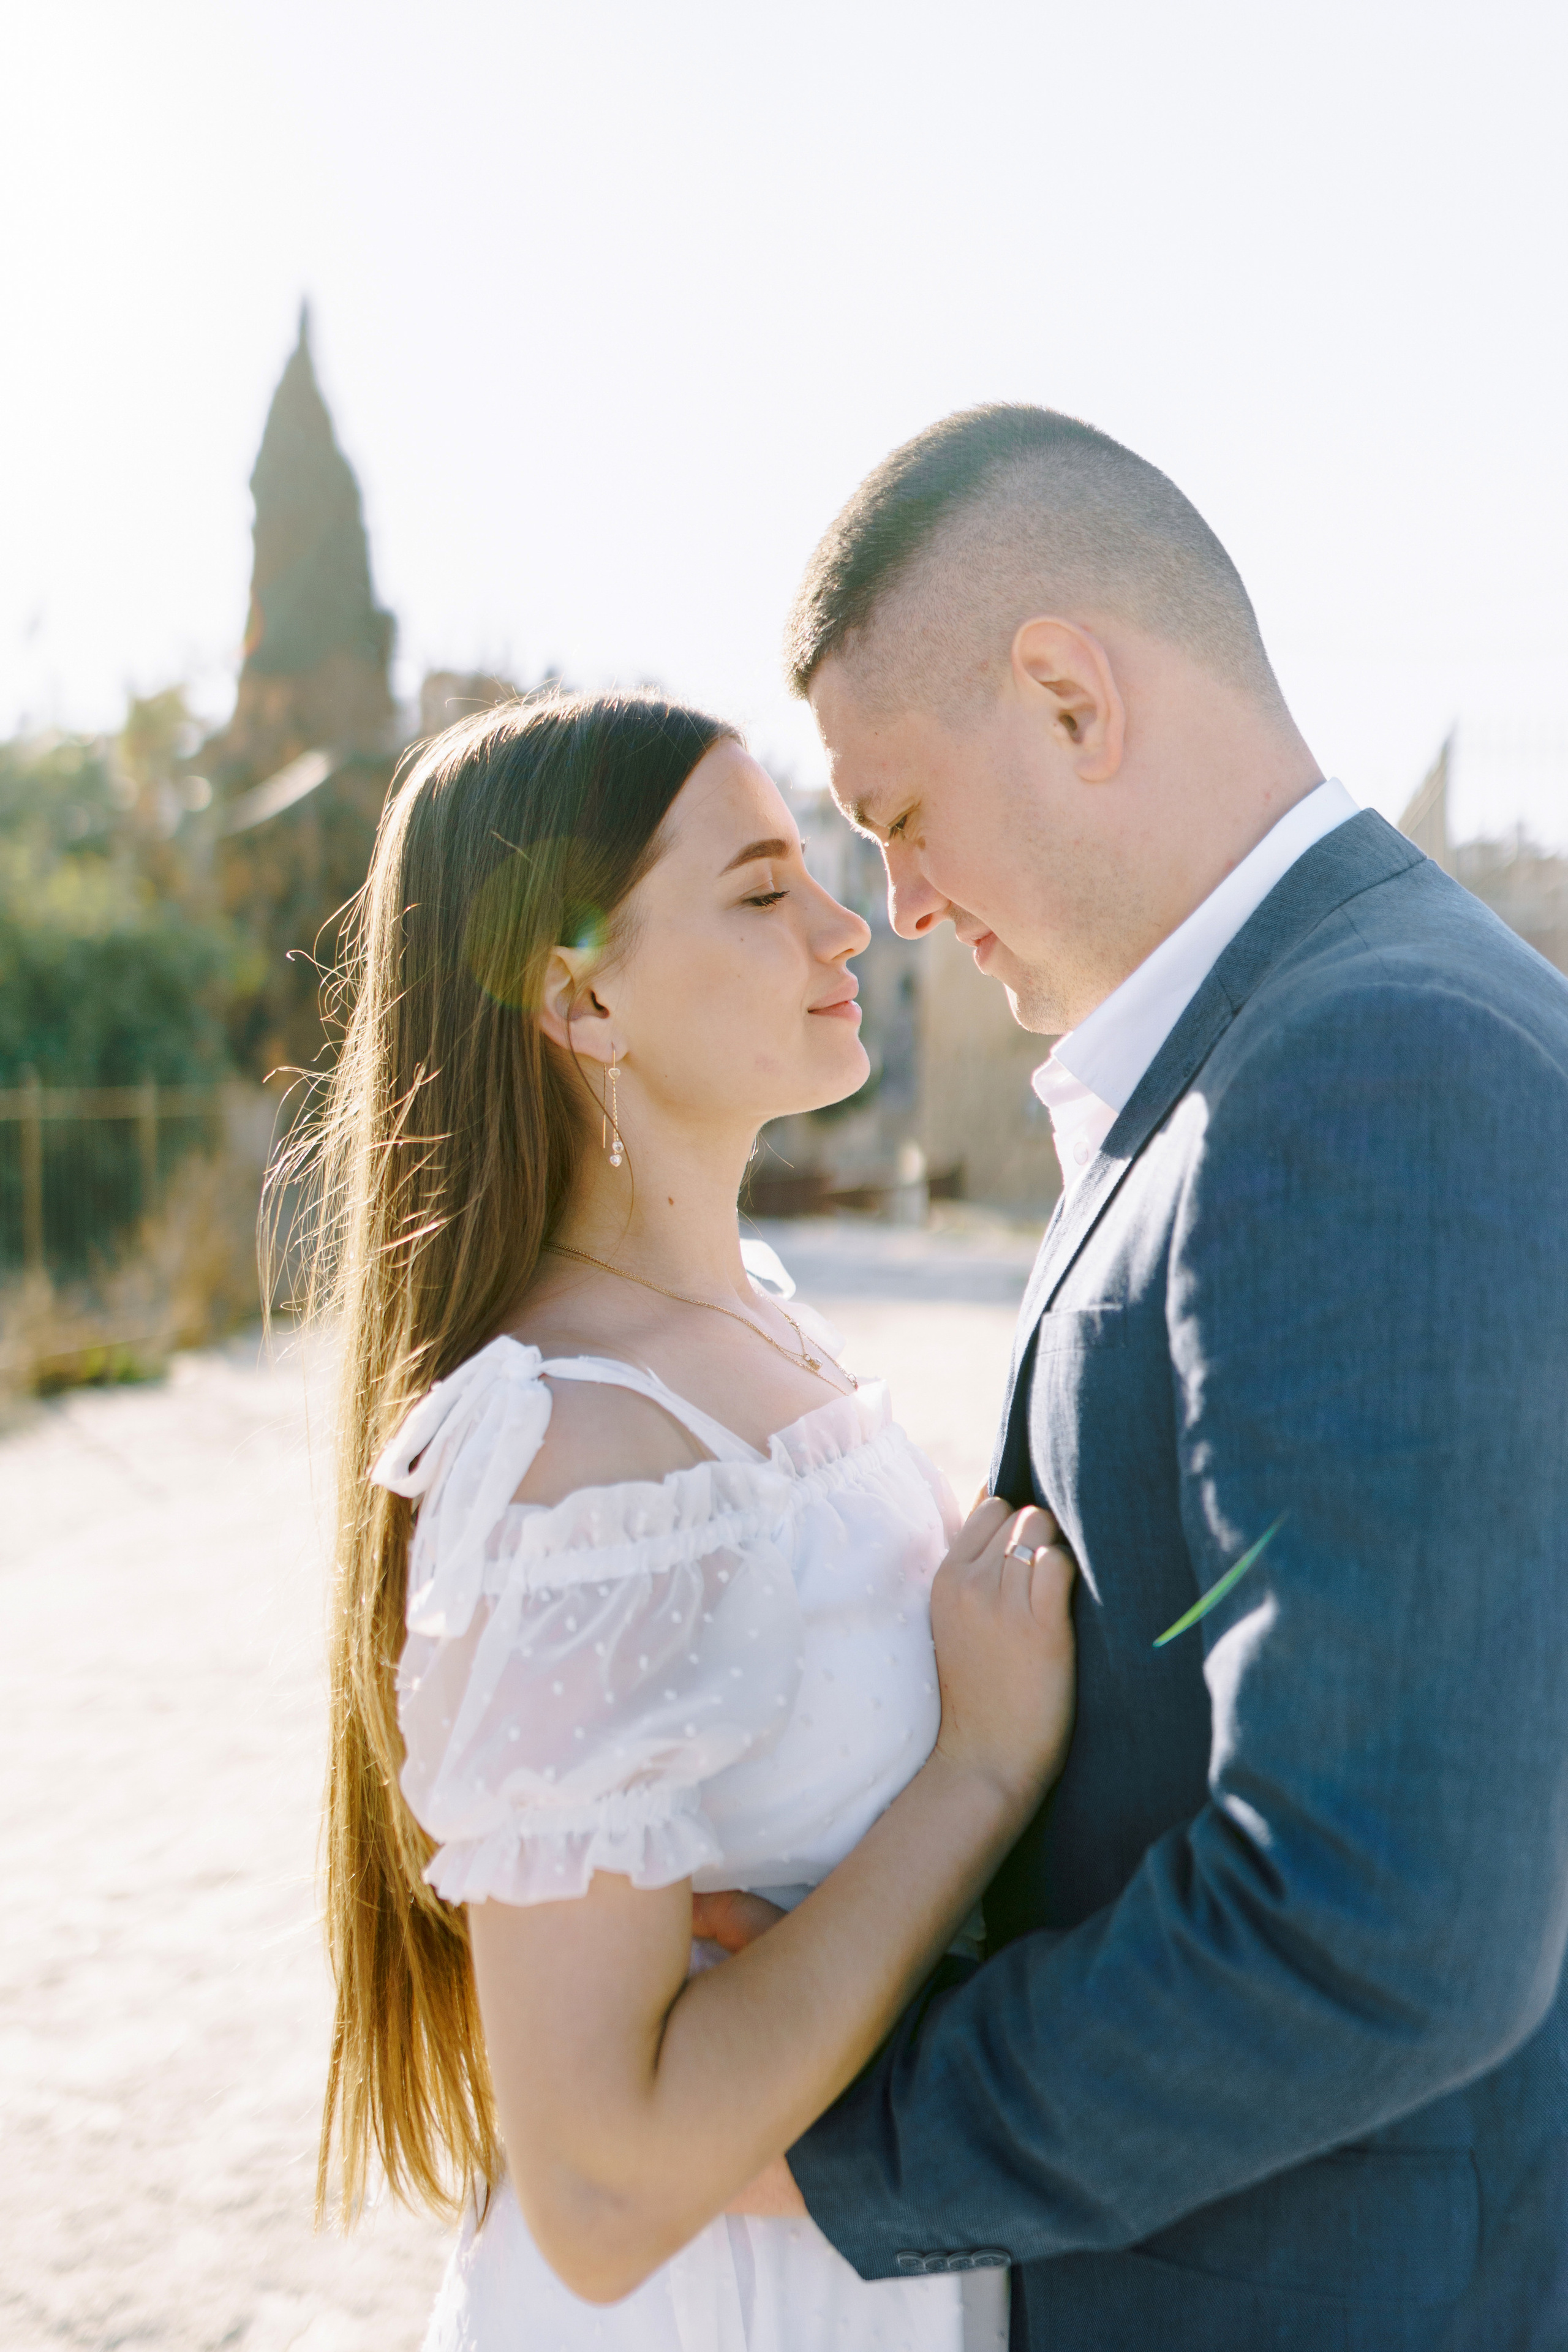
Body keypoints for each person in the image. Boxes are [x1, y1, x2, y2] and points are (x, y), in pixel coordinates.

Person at [709, 404, 1568, 2349]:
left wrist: (838, 2127)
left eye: (901, 814)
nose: (900, 904)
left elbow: (1380, 1919)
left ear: (1069, 697)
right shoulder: (1300, 1038)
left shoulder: (1372, 1071)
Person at [301, 687, 1078, 2352]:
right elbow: (597, 2198)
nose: (844, 919)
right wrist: (976, 1779)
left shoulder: (762, 1322)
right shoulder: (581, 1452)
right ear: (582, 996)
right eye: (758, 889)